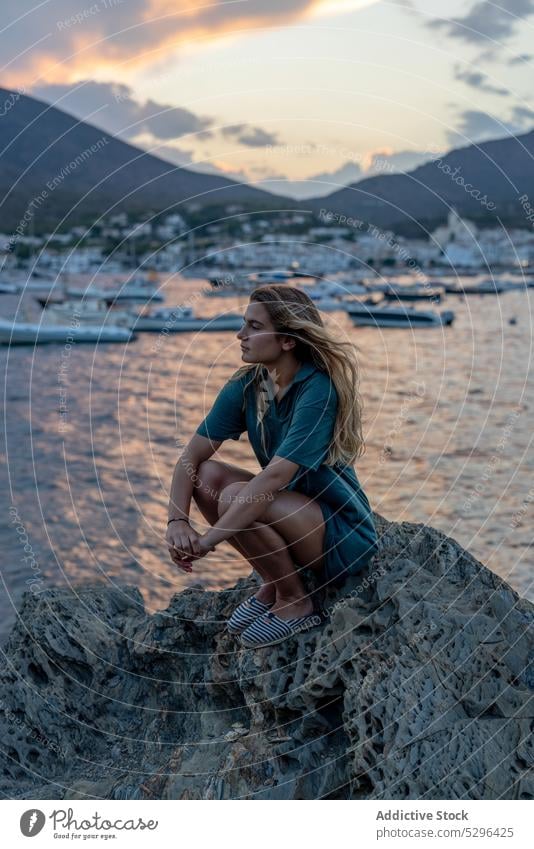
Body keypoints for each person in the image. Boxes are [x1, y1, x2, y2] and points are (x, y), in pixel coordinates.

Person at [165, 284, 378, 648]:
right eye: (242, 324)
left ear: (288, 341)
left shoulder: (317, 389)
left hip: (339, 533)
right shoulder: (248, 385)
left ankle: (295, 601)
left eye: (253, 326)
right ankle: (274, 580)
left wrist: (207, 542)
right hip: (290, 512)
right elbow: (191, 457)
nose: (240, 335)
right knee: (207, 476)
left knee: (234, 495)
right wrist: (177, 521)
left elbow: (277, 476)